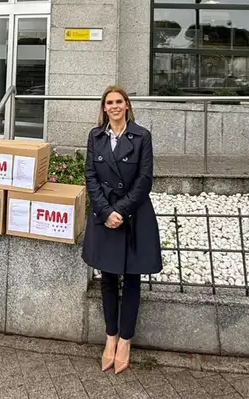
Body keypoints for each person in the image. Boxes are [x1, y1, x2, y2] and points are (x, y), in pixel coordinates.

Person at [81, 85, 162, 374]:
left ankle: (125, 340)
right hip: (105, 216)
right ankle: (110, 337)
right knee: (107, 277)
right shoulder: (95, 136)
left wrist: (120, 210)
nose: (114, 106)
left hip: (133, 216)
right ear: (103, 108)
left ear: (127, 105)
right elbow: (90, 174)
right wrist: (105, 211)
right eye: (109, 102)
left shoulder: (142, 136)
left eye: (119, 101)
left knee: (131, 278)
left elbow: (145, 179)